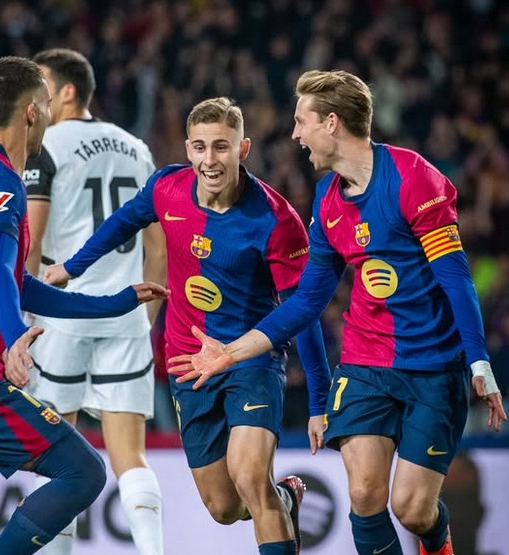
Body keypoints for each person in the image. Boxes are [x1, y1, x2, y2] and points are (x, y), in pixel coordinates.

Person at [167, 70, 507, 555]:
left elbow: (456, 278)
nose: (294, 134)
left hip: (433, 366)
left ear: (330, 123)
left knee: (412, 509)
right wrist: (233, 354)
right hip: (365, 365)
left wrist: (479, 363)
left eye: (301, 121)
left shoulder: (414, 180)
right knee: (365, 495)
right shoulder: (327, 203)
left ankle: (437, 538)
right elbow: (307, 301)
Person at [0, 55, 168, 555]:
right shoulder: (3, 185)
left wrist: (112, 303)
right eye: (42, 102)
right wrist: (16, 336)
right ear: (31, 112)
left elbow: (17, 280)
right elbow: (0, 273)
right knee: (83, 472)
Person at [44, 96, 332, 555]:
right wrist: (70, 268)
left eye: (221, 147)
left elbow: (304, 309)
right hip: (186, 362)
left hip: (249, 363)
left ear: (243, 149)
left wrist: (320, 398)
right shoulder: (167, 188)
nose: (209, 160)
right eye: (199, 147)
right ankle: (284, 497)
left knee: (249, 475)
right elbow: (122, 222)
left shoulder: (276, 221)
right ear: (187, 147)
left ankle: (270, 496)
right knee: (223, 506)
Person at [22, 48, 166, 555]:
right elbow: (157, 244)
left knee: (55, 457)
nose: (35, 96)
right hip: (126, 313)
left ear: (67, 91)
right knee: (131, 456)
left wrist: (21, 318)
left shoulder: (46, 145)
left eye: (41, 83)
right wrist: (146, 318)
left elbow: (32, 240)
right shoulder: (136, 146)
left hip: (61, 315)